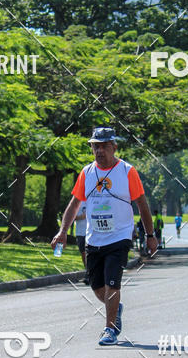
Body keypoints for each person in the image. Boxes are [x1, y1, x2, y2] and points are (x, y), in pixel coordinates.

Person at [51, 127, 158, 345]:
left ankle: (110, 329)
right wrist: (62, 231)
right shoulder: (87, 173)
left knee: (112, 284)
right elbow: (74, 205)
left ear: (114, 147)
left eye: (104, 146)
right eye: (95, 146)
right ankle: (115, 307)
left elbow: (142, 205)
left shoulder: (127, 171)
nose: (99, 151)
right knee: (96, 285)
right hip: (94, 238)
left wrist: (150, 235)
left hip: (119, 237)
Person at [73, 203, 88, 283]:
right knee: (83, 253)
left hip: (91, 232)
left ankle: (88, 274)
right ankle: (87, 270)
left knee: (88, 253)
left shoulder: (92, 200)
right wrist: (81, 217)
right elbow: (72, 217)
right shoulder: (78, 202)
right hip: (80, 232)